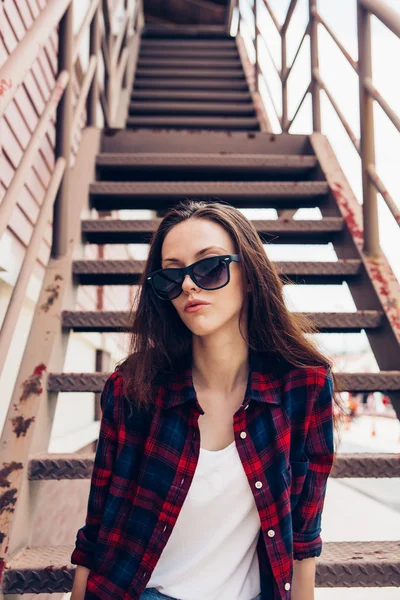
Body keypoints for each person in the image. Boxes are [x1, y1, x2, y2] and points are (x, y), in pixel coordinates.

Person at [70, 199, 345, 600]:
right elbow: (99, 524)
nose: (187, 285)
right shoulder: (134, 388)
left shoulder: (303, 387)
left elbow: (303, 537)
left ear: (249, 275)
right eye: (171, 274)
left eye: (209, 266)